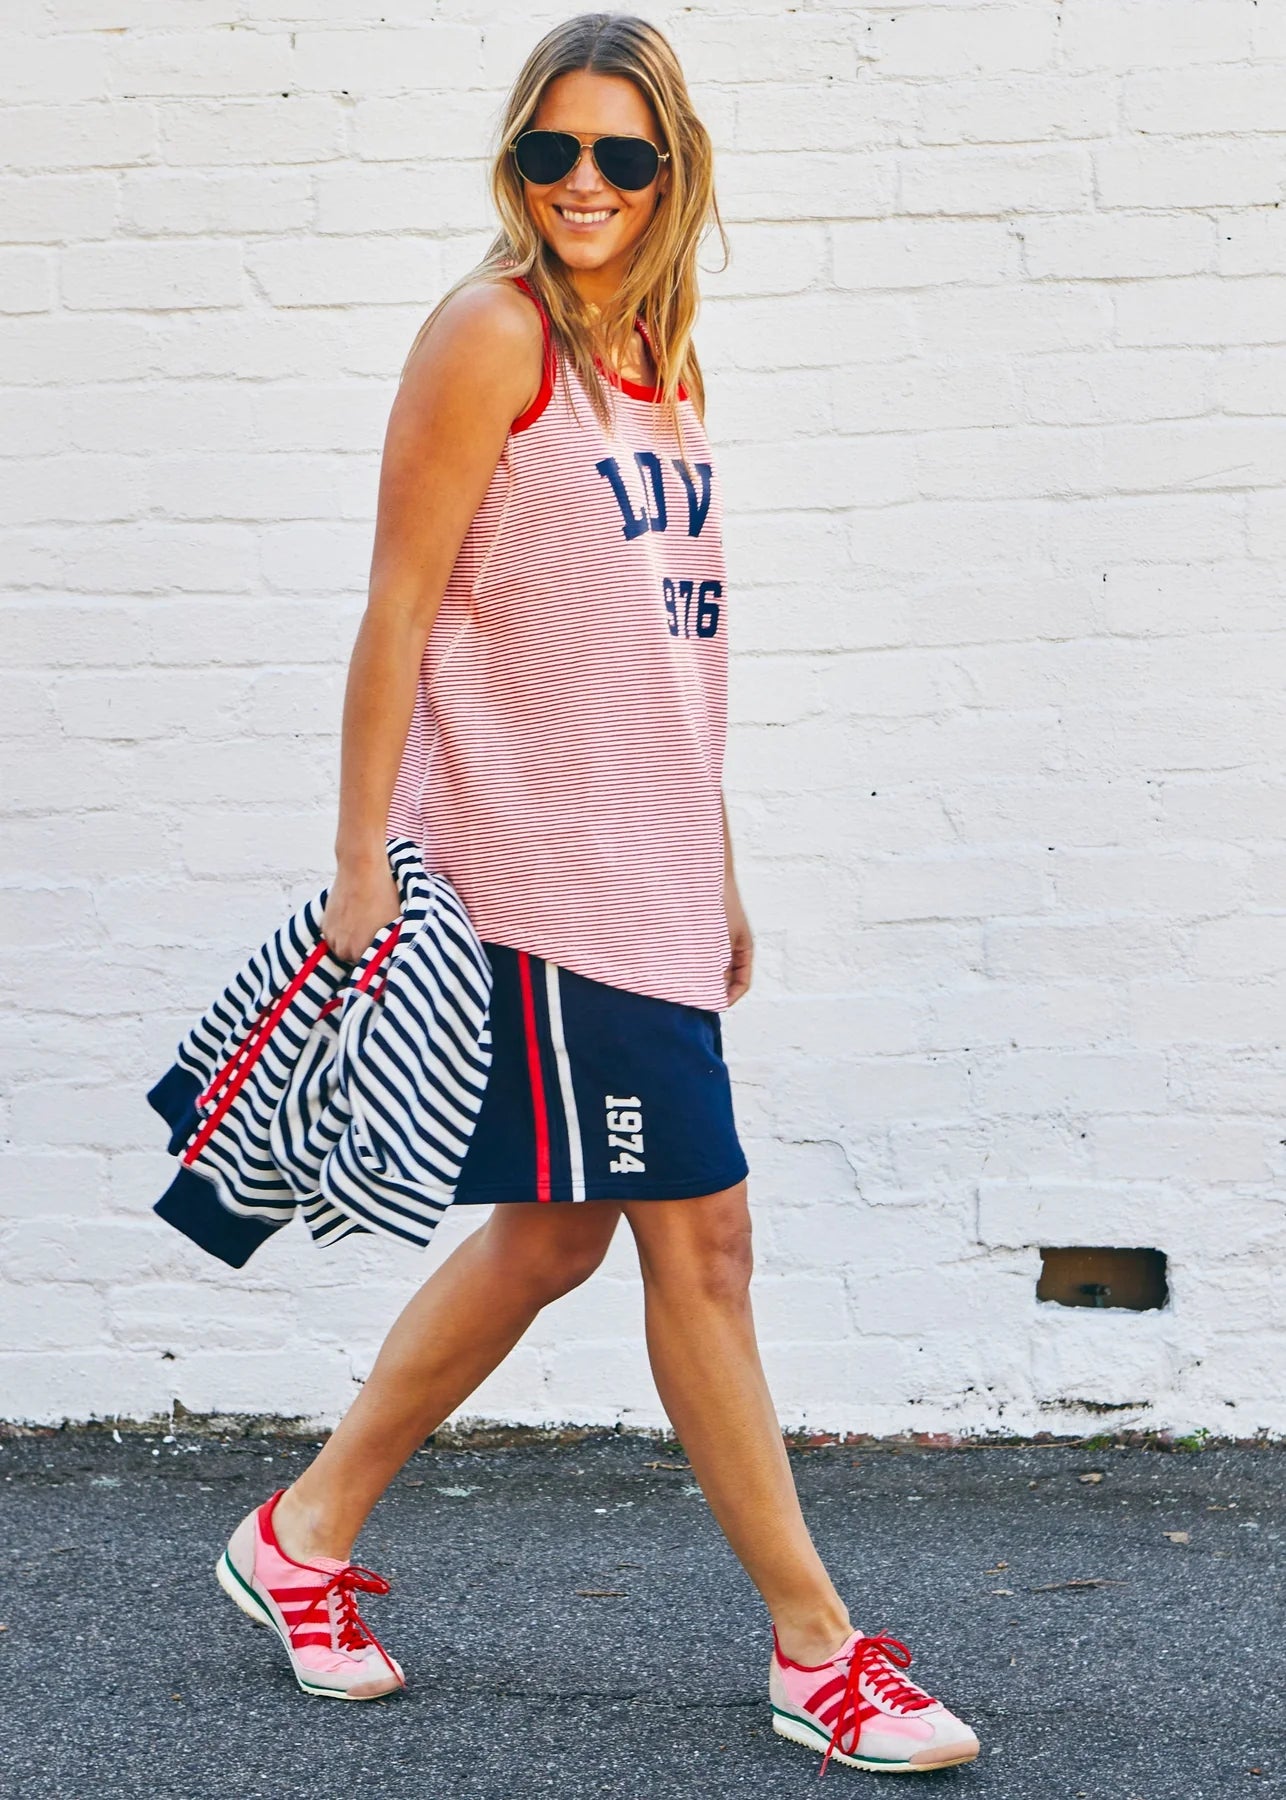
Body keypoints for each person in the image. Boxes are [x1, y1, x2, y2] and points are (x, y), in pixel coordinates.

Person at [214, 13, 980, 1777]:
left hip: (640, 872)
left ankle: (300, 1533)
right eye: (552, 151)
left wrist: (711, 859)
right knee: (698, 1241)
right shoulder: (495, 340)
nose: (581, 183)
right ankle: (816, 1647)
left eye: (619, 157)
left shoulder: (661, 364)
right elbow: (398, 608)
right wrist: (354, 864)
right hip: (532, 874)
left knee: (560, 1233)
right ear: (516, 161)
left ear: (670, 174)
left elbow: (670, 658)